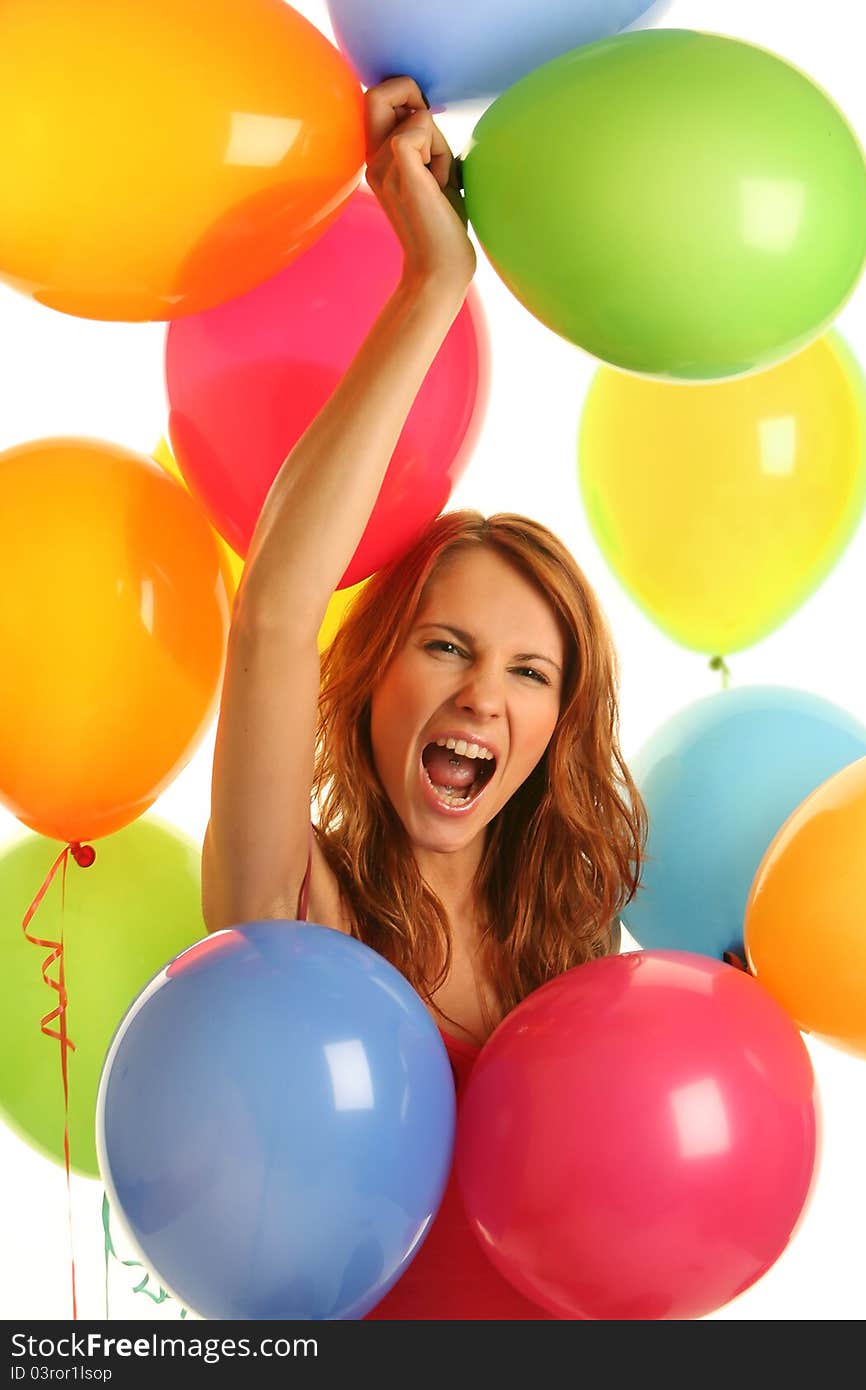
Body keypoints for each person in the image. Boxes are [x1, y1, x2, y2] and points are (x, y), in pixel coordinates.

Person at [201, 76, 647, 1319]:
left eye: (528, 671)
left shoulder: (576, 954)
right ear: (376, 671)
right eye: (445, 646)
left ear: (559, 724)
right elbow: (276, 615)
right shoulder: (295, 907)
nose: (482, 699)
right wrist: (430, 284)